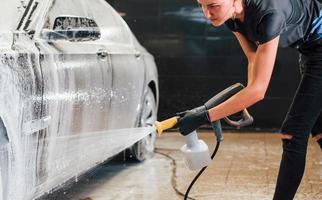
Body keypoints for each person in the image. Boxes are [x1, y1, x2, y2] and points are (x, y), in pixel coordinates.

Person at [175, 0, 322, 199]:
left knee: (293, 134)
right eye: (202, 5)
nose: (206, 14)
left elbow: (259, 90)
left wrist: (205, 116)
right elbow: (253, 58)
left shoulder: (268, 14)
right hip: (310, 50)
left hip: (318, 51)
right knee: (318, 128)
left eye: (212, 5)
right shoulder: (232, 17)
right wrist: (244, 99)